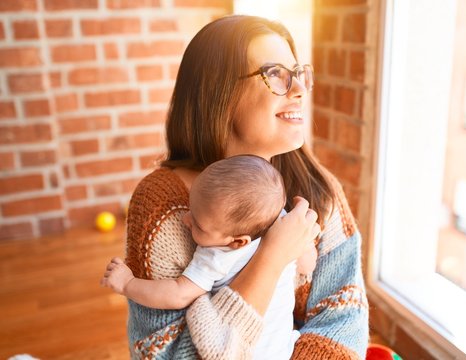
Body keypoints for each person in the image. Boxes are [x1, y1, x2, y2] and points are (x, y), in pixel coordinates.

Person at [121, 14, 369, 360]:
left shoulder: (318, 189)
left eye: (298, 74)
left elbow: (344, 318)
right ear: (218, 92)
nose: (298, 90)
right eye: (276, 75)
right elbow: (161, 354)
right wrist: (271, 257)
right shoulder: (166, 207)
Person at [101, 155, 317, 359]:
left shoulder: (217, 254)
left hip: (245, 350)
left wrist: (127, 284)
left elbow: (178, 294)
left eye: (198, 225)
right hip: (282, 349)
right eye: (191, 209)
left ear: (238, 241)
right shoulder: (284, 223)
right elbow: (307, 265)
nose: (186, 219)